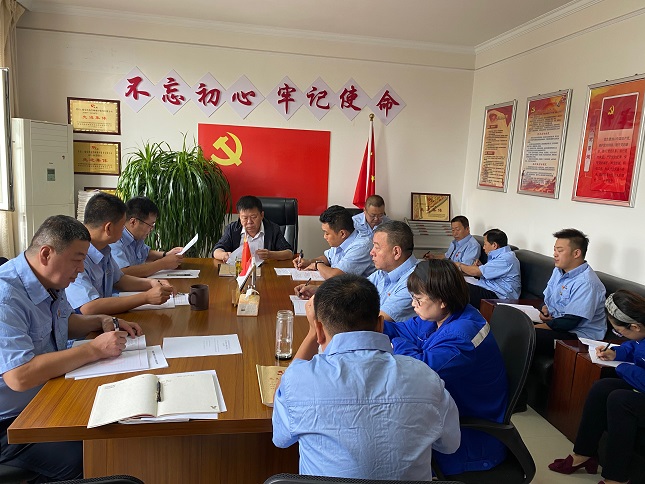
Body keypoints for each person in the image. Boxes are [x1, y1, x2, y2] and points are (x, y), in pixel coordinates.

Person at [273, 273, 460, 479]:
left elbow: (281, 439)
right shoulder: (426, 376)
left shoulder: (299, 380)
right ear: (380, 325)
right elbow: (450, 444)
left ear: (319, 329)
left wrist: (311, 334)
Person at [0, 215, 142, 481]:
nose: (81, 269)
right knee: (97, 451)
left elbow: (64, 322)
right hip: (12, 424)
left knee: (119, 418)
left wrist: (101, 321)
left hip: (48, 395)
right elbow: (19, 376)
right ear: (46, 254)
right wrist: (94, 350)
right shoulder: (5, 297)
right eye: (77, 260)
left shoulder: (50, 280)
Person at [383, 259, 508, 475]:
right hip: (445, 409)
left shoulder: (462, 334)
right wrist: (368, 323)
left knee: (385, 451)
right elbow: (401, 329)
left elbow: (420, 371)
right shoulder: (438, 316)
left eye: (418, 299)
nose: (413, 304)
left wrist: (396, 343)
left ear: (441, 300)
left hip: (468, 435)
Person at [549, 290, 645, 484]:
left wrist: (623, 368)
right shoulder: (641, 330)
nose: (619, 334)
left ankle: (616, 478)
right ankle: (584, 454)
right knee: (601, 388)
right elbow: (635, 345)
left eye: (619, 331)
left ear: (635, 326)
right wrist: (615, 353)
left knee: (620, 400)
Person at [66, 193, 174, 315]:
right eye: (122, 226)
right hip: (87, 325)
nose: (125, 230)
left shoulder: (103, 249)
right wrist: (146, 297)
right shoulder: (76, 256)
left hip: (104, 320)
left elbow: (119, 279)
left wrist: (151, 283)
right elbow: (89, 308)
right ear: (108, 228)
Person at [295, 221, 418, 321]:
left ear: (396, 252)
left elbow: (378, 321)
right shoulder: (384, 271)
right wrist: (320, 291)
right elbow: (356, 291)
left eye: (377, 247)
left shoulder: (414, 282)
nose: (371, 252)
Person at [536, 228, 606, 356]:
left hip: (577, 336)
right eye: (554, 250)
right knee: (511, 323)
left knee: (523, 334)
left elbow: (570, 322)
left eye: (560, 250)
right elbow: (547, 297)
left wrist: (532, 328)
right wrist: (544, 308)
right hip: (557, 324)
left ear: (576, 253)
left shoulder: (587, 283)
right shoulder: (558, 271)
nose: (555, 254)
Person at [110, 196, 184, 277]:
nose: (152, 229)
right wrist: (163, 264)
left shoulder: (136, 236)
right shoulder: (115, 239)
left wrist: (166, 254)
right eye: (150, 225)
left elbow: (145, 253)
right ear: (133, 222)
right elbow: (122, 273)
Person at [294, 205, 374, 279]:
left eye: (327, 233)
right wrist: (309, 261)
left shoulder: (362, 246)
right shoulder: (341, 240)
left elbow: (335, 277)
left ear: (342, 234)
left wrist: (317, 265)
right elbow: (327, 258)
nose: (324, 237)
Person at [212, 195, 293, 262]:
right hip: (240, 271)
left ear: (262, 215)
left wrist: (270, 254)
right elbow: (217, 250)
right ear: (239, 217)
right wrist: (224, 255)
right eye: (245, 218)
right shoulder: (232, 229)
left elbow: (289, 253)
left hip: (265, 271)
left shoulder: (273, 229)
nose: (249, 222)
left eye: (254, 217)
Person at [457, 228, 521, 308]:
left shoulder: (506, 259)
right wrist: (481, 266)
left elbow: (476, 272)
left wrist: (459, 265)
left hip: (499, 296)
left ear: (494, 245)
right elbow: (492, 272)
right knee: (455, 281)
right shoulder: (500, 255)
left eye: (485, 244)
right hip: (489, 288)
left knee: (458, 287)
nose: (483, 247)